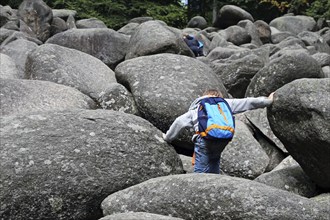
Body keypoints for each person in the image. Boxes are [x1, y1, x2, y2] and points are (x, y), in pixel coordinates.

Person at [162, 89, 274, 174]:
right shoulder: (225, 103)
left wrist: (168, 138)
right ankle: (215, 184)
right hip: (223, 139)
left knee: (200, 169)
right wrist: (267, 101)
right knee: (214, 160)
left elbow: (179, 122)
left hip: (204, 140)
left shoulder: (198, 106)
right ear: (219, 96)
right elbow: (248, 102)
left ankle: (197, 189)